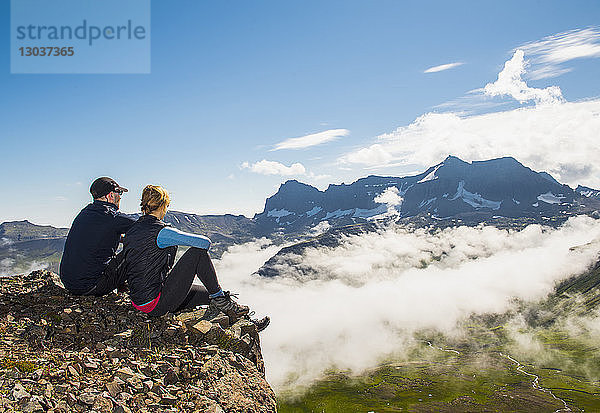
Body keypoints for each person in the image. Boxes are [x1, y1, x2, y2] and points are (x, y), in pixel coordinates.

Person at [122, 185, 269, 330]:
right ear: (164, 205)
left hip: (140, 299)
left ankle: (248, 324)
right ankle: (221, 300)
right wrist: (175, 234)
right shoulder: (161, 231)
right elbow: (204, 243)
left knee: (212, 296)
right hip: (154, 303)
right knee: (197, 253)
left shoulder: (133, 230)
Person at [59, 177, 136, 296]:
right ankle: (143, 295)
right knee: (136, 249)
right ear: (110, 195)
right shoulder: (111, 216)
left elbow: (99, 236)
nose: (120, 197)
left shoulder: (85, 213)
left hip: (69, 283)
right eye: (119, 193)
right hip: (91, 286)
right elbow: (144, 229)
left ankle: (122, 287)